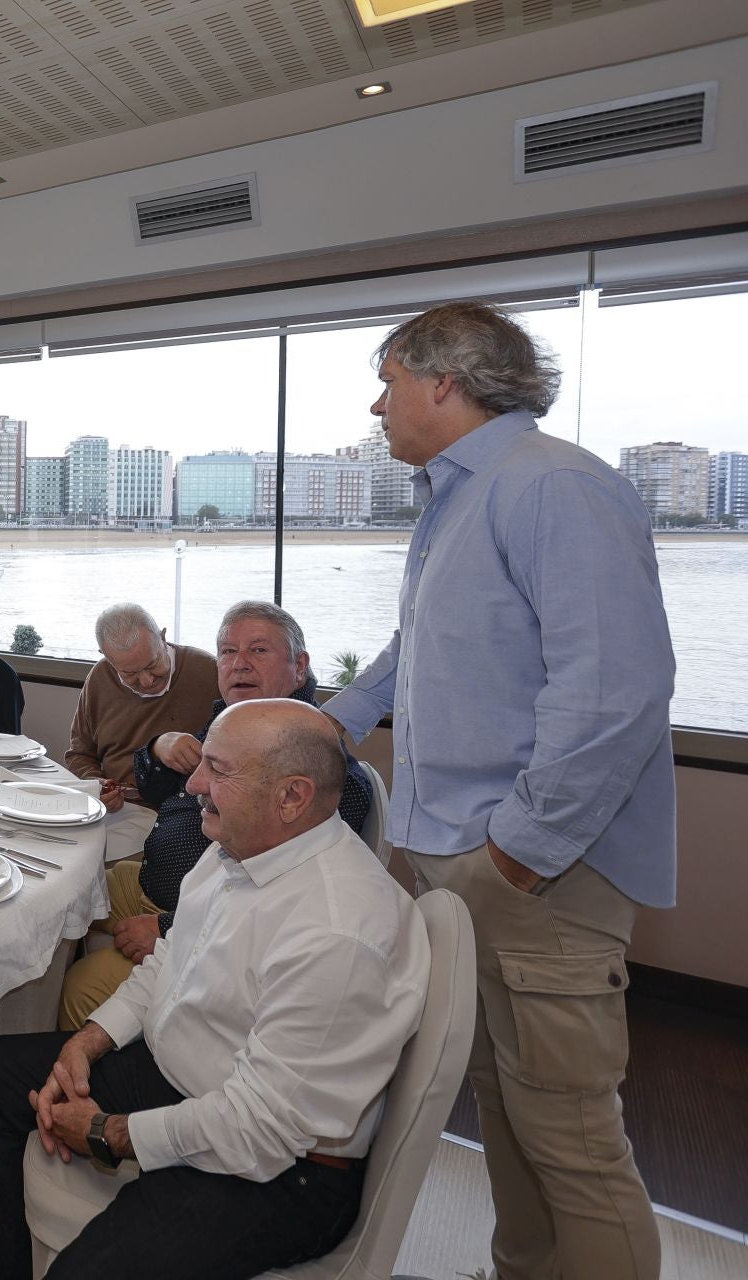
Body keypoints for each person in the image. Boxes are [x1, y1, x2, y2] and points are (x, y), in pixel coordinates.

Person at [325, 301, 675, 1280]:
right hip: (463, 859)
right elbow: (419, 646)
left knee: (570, 1137)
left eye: (388, 379)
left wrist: (516, 851)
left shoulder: (553, 486)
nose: (376, 403)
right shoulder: (453, 499)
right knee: (506, 1108)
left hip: (536, 873)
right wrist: (334, 720)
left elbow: (616, 691)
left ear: (444, 380)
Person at [0, 699, 429, 1280]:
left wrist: (108, 1133)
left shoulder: (336, 931)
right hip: (188, 1079)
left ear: (292, 797)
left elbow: (260, 1130)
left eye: (219, 771)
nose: (195, 783)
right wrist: (87, 1043)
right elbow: (166, 965)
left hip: (282, 1167)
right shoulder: (236, 849)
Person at [58, 601, 371, 1028]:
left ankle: (96, 1080)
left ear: (300, 667)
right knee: (62, 893)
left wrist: (168, 929)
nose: (238, 664)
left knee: (80, 988)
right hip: (156, 884)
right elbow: (164, 789)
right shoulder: (236, 723)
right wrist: (157, 749)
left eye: (258, 651)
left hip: (196, 926)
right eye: (227, 652)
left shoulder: (321, 776)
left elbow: (280, 901)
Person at [64, 604, 219, 808]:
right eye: (129, 673)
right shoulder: (100, 677)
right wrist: (96, 785)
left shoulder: (209, 672)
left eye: (153, 664)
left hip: (181, 810)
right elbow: (80, 754)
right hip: (114, 807)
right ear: (106, 656)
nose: (147, 681)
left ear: (162, 638)